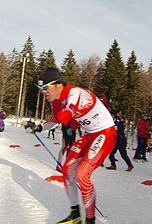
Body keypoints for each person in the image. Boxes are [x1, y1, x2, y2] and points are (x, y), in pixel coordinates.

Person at [29, 67, 116, 224]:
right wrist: (39, 127)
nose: (43, 92)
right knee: (67, 169)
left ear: (57, 84)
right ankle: (75, 215)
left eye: (45, 87)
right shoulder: (55, 100)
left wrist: (64, 115)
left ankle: (90, 221)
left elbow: (68, 112)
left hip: (105, 133)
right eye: (40, 88)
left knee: (82, 174)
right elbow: (55, 120)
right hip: (89, 134)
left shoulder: (74, 93)